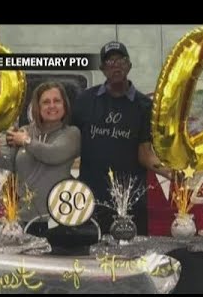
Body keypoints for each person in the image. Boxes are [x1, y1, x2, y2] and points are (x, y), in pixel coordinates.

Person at [71, 41, 171, 236]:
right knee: (91, 257)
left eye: (121, 60)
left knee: (133, 258)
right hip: (92, 198)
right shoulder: (85, 100)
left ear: (129, 65)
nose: (115, 65)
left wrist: (171, 171)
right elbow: (68, 140)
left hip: (132, 201)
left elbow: (145, 154)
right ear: (102, 69)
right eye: (109, 61)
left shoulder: (145, 106)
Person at [0, 81, 81, 235]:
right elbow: (9, 167)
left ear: (65, 105)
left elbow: (52, 154)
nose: (52, 106)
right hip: (23, 218)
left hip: (59, 220)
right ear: (38, 107)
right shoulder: (24, 131)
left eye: (57, 101)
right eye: (46, 102)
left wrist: (26, 141)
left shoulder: (72, 133)